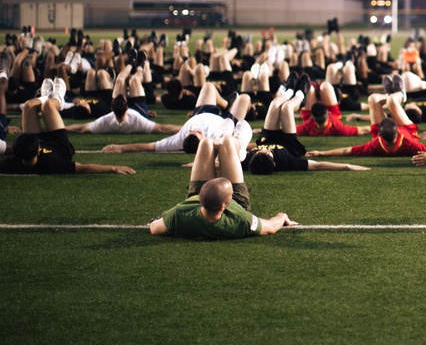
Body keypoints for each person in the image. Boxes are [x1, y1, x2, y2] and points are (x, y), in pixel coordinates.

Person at [149, 134, 296, 239]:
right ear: (223, 206)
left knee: (206, 142)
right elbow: (271, 227)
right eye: (230, 194)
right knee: (227, 142)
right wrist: (282, 216)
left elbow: (155, 228)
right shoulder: (240, 220)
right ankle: (237, 141)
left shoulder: (181, 213)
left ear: (200, 197)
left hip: (201, 199)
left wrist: (155, 222)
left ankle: (221, 138)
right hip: (236, 204)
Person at [305, 89, 426, 159]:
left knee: (373, 99)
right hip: (408, 129)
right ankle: (398, 92)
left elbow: (346, 150)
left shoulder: (375, 144)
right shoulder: (408, 141)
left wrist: (321, 152)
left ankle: (389, 93)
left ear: (378, 134)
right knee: (394, 102)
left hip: (393, 132)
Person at [101, 81, 254, 155]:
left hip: (203, 112)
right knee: (245, 98)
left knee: (208, 86)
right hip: (227, 121)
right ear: (203, 142)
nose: (196, 129)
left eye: (191, 132)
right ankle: (230, 105)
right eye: (198, 133)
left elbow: (149, 146)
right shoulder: (216, 141)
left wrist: (121, 147)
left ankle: (225, 102)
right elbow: (244, 146)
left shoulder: (178, 140)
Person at [240, 87, 369, 174]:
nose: (264, 150)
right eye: (267, 153)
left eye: (259, 152)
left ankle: (288, 88)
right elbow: (318, 165)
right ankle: (301, 91)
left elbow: (222, 162)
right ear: (274, 163)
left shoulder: (249, 161)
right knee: (287, 108)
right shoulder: (287, 162)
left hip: (267, 138)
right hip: (289, 143)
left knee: (274, 105)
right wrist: (347, 166)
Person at [1, 93, 135, 175]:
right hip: (59, 145)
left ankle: (46, 94)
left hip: (30, 145)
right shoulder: (50, 163)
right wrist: (113, 168)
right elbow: (84, 168)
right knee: (48, 105)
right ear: (38, 150)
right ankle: (57, 96)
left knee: (29, 106)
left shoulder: (13, 163)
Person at [65, 93, 182, 135]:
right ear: (127, 108)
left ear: (111, 108)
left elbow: (80, 128)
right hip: (138, 117)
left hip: (113, 122)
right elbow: (162, 129)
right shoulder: (136, 119)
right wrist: (184, 128)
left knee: (120, 80)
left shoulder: (105, 121)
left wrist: (62, 129)